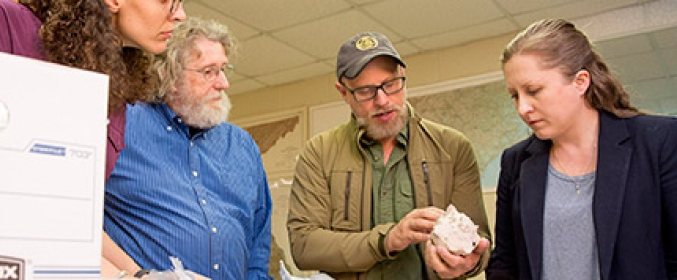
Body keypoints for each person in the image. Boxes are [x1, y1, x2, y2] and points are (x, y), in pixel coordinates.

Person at [0, 0, 186, 278]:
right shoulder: (9, 24)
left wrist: (141, 275)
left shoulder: (112, 91)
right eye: (165, 1)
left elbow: (71, 219)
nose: (180, 15)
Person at [287, 31, 492, 280]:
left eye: (391, 84)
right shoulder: (318, 153)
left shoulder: (453, 147)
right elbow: (304, 246)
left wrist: (467, 262)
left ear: (403, 77)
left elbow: (480, 242)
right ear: (343, 93)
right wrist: (388, 239)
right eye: (365, 91)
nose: (383, 100)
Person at [486, 19, 677, 280]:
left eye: (533, 91)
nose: (522, 108)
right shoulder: (515, 162)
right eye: (515, 96)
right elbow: (505, 264)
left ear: (581, 81)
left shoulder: (660, 142)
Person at [104, 17, 273, 280]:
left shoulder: (242, 146)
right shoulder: (121, 123)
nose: (223, 83)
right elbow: (77, 213)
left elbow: (258, 245)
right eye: (209, 72)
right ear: (168, 75)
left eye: (224, 70)